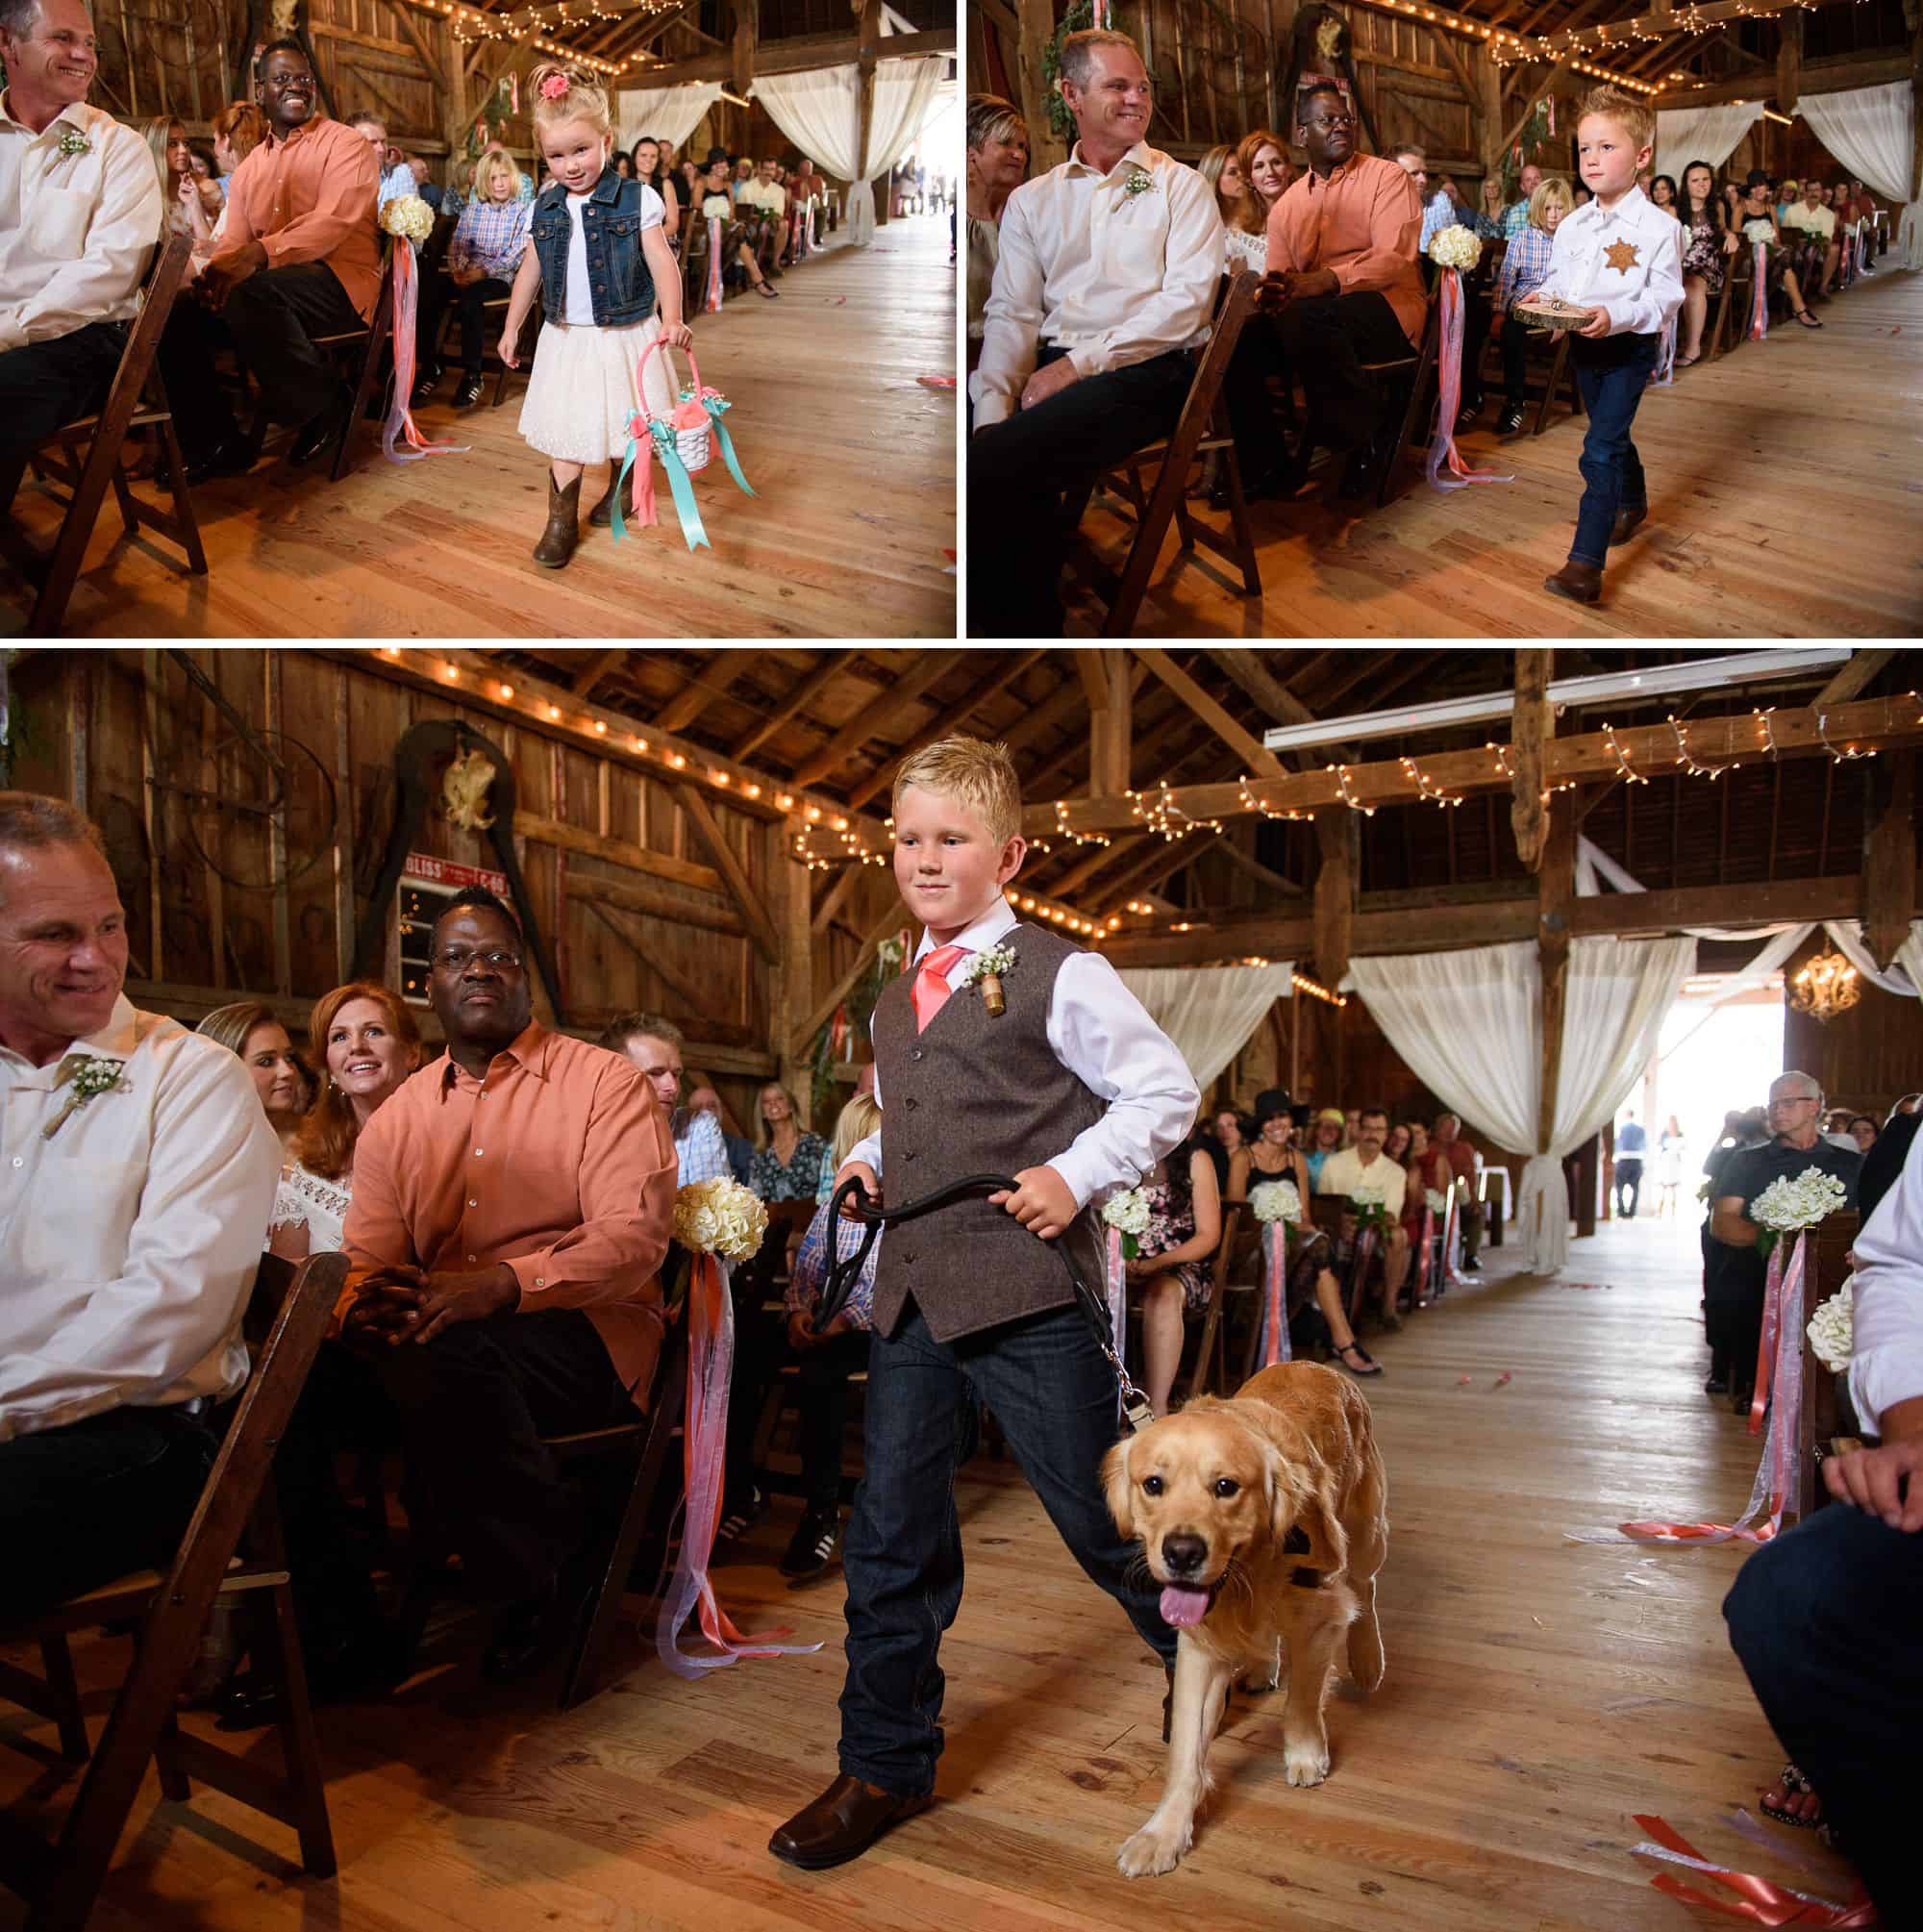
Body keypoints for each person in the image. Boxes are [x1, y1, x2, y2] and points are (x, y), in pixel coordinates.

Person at [768, 736, 1198, 1869]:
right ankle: (882, 1764)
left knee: (1102, 1519)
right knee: (891, 1538)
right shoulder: (890, 992)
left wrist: (1074, 1173)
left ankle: (1199, 1656)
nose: (923, 857)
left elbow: (1164, 1090)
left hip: (1023, 1296)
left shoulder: (1062, 970)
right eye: (907, 837)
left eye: (949, 838)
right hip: (909, 1297)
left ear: (1004, 851)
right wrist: (873, 1165)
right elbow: (910, 1118)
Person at [337, 883, 676, 1681]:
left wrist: (502, 1282)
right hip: (443, 1336)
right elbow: (366, 1261)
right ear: (431, 985)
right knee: (304, 1387)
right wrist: (357, 1310)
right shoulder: (398, 1118)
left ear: (524, 978)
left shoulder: (602, 1082)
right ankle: (336, 1632)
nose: (478, 969)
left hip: (584, 1331)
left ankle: (541, 1573)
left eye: (496, 956)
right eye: (456, 957)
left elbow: (633, 1239)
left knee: (451, 1356)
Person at [0, 792, 280, 1619]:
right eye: (55, 934)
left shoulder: (190, 1078)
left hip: (139, 1431)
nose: (96, 959)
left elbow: (170, 1313)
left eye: (110, 925)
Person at [1723, 1119, 1923, 1927]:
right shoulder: (1745, 1158)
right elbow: (1903, 1267)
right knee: (1787, 1597)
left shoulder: (1841, 1159)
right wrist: (1912, 1435)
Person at [967, 29, 1220, 639]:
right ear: (1071, 94)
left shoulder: (1178, 186)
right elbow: (1013, 314)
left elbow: (1186, 308)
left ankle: (1018, 628)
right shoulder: (1033, 201)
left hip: (1154, 369)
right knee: (985, 448)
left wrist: (1078, 366)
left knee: (997, 467)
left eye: (1143, 87)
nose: (1137, 99)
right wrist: (992, 408)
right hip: (1057, 364)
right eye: (1118, 86)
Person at [160, 38, 381, 482]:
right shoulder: (248, 170)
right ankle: (218, 442)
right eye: (282, 79)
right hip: (274, 289)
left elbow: (332, 222)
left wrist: (255, 256)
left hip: (341, 281)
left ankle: (326, 404)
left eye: (304, 79)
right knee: (175, 312)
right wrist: (215, 275)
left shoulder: (346, 144)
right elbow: (233, 241)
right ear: (261, 91)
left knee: (253, 294)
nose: (295, 87)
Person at [498, 63, 690, 569]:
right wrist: (512, 324)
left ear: (607, 140)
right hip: (567, 337)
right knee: (569, 427)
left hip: (626, 332)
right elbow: (531, 270)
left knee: (622, 421)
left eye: (581, 149)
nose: (571, 165)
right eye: (556, 155)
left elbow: (662, 263)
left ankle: (620, 493)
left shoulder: (636, 199)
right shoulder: (544, 207)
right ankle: (560, 520)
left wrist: (671, 316)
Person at [1530, 86, 1683, 608]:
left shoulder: (1662, 228)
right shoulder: (1571, 225)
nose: (1591, 159)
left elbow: (1664, 299)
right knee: (1610, 435)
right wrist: (1546, 301)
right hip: (1584, 348)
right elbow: (1560, 280)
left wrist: (1615, 316)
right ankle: (1634, 501)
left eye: (1606, 148)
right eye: (1584, 149)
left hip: (1629, 348)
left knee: (1598, 449)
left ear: (1642, 156)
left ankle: (1585, 563)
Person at [0, 0, 162, 467]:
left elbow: (109, 274)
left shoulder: (118, 148)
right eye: (63, 38)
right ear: (9, 44)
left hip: (84, 338)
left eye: (89, 43)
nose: (84, 55)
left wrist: (11, 329)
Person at [1245, 84, 1424, 498]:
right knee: (1243, 342)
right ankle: (1266, 464)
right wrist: (1272, 292)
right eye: (1328, 120)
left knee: (1310, 315)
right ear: (1302, 134)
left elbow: (1393, 259)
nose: (1341, 126)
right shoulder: (1287, 207)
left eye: (1346, 119)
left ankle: (1361, 439)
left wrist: (1323, 281)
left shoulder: (1387, 176)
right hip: (1314, 318)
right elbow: (1280, 278)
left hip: (1388, 306)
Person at [1709, 1072, 1860, 1414]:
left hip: (1831, 1277)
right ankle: (1754, 1385)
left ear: (1815, 1107)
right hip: (1760, 1276)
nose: (1778, 1111)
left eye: (1789, 1102)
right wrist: (1779, 1242)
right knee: (1739, 1293)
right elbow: (1724, 1221)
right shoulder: (1747, 1160)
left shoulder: (1849, 1164)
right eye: (1773, 1104)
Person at [1230, 1092, 1379, 1375]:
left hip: (1294, 1243)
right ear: (1260, 1124)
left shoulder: (1295, 1159)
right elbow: (1238, 1218)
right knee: (1319, 1249)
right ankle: (1344, 1342)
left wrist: (1293, 1229)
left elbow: (1305, 1218)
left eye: (1282, 1116)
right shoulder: (1243, 1158)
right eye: (1270, 1118)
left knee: (1320, 1246)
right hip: (1252, 1249)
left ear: (1291, 1121)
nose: (1277, 1124)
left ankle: (1340, 1339)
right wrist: (1271, 1225)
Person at [276, 981, 422, 1254]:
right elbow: (289, 1289)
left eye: (374, 1032)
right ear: (329, 1066)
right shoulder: (303, 1173)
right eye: (340, 1037)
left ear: (411, 1053)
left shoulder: (451, 1149)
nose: (356, 1046)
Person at [412, 145, 531, 411]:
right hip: (467, 274)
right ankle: (430, 365)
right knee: (427, 293)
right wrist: (458, 270)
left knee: (470, 301)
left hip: (499, 278)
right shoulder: (473, 211)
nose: (499, 184)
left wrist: (483, 272)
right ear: (484, 182)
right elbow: (458, 244)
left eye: (503, 177)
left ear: (512, 179)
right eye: (493, 178)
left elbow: (517, 253)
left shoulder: (522, 211)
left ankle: (472, 374)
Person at [1128, 1130, 1221, 1418]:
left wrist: (1158, 1263)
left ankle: (1156, 1409)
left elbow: (1208, 1236)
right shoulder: (1122, 1153)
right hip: (1123, 1265)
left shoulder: (1196, 1160)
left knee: (1162, 1293)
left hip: (1179, 1265)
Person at [599, 1011, 731, 1184]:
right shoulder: (588, 1134)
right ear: (616, 1078)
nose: (673, 1087)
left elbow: (713, 1210)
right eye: (655, 1073)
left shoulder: (698, 1127)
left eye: (676, 1074)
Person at [1491, 174, 1573, 435]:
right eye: (1547, 208)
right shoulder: (1522, 239)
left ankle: (1514, 400)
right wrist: (1498, 311)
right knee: (1508, 329)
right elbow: (1506, 278)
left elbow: (1575, 282)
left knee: (1515, 328)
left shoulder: (1572, 241)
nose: (1553, 215)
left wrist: (1561, 316)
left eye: (1559, 208)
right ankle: (1514, 401)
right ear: (1537, 209)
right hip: (1522, 307)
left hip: (1556, 305)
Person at [1315, 1105, 1410, 1325]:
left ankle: (1389, 1305)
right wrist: (1340, 1222)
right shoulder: (1334, 1163)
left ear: (1386, 1135)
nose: (1372, 1135)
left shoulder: (1395, 1172)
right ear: (1358, 1130)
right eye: (1367, 1128)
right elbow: (1322, 1205)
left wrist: (1364, 1224)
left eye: (1378, 1130)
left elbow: (1390, 1215)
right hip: (1337, 1228)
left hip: (1375, 1232)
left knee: (1398, 1235)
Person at [965, 95, 1029, 385]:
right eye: (1006, 143)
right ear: (971, 154)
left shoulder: (1028, 215)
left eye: (1022, 146)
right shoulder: (959, 223)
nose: (1018, 154)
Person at [196, 1000, 308, 1148]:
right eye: (266, 1061)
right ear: (224, 1070)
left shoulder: (316, 1145)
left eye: (289, 1058)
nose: (287, 1071)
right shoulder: (202, 1150)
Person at [1736, 170, 1822, 331]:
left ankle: (1799, 308)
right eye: (1754, 187)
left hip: (1771, 255)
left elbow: (1776, 239)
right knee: (1787, 265)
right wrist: (1757, 245)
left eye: (1761, 185)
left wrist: (1772, 246)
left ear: (1767, 187)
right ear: (1749, 190)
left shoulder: (1771, 209)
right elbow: (1737, 240)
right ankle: (1801, 310)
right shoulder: (1741, 207)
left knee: (1784, 258)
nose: (1758, 189)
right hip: (1748, 257)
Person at [1675, 160, 1735, 366]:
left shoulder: (1717, 206)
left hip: (1708, 264)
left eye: (1705, 179)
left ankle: (1693, 347)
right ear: (1687, 184)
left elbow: (1722, 229)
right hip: (1680, 264)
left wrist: (1730, 234)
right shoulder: (1676, 209)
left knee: (1692, 285)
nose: (1702, 184)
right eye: (1695, 180)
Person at [750, 1081, 827, 1200]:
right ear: (762, 1112)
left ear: (791, 1106)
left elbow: (827, 1190)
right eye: (766, 1101)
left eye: (779, 1098)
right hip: (771, 1217)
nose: (773, 1104)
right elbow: (754, 1197)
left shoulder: (815, 1144)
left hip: (811, 1216)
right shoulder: (760, 1153)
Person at [1197, 142, 1264, 272]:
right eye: (1232, 172)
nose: (1242, 177)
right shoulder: (1207, 231)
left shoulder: (1262, 216)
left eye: (1244, 170)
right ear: (1215, 178)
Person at [1432, 1112, 1484, 1271]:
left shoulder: (1464, 1149)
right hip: (1436, 1195)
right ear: (1437, 1129)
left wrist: (1474, 1199)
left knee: (1477, 1212)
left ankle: (1470, 1255)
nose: (1449, 1132)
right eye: (1446, 1128)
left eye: (1453, 1128)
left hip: (1460, 1195)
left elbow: (1471, 1176)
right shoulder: (1430, 1147)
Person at [1782, 174, 1840, 298]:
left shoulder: (1828, 214)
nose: (1814, 193)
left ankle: (1823, 288)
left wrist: (1809, 241)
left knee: (1834, 249)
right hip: (1793, 247)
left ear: (1822, 192)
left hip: (1817, 248)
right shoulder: (1792, 210)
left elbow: (1826, 238)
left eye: (1817, 190)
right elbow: (1784, 233)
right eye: (1810, 190)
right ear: (1806, 192)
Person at [347, 110, 415, 209]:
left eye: (383, 142)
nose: (382, 149)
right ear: (352, 145)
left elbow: (409, 220)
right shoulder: (340, 179)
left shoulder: (400, 175)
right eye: (372, 142)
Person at [689, 1083, 755, 1187]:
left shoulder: (742, 1147)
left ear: (720, 1112)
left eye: (711, 1106)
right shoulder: (677, 1150)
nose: (705, 1112)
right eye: (698, 1108)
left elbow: (751, 1191)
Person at [629, 134, 680, 242]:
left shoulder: (666, 184)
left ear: (658, 160)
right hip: (631, 242)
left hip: (662, 240)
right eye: (643, 155)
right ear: (634, 157)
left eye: (653, 156)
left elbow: (672, 224)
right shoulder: (624, 186)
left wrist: (648, 241)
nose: (648, 160)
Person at [1614, 1110, 1647, 1217]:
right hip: (1636, 1160)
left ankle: (1621, 1211)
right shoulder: (1640, 1130)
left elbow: (1617, 1144)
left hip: (1623, 1159)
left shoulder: (1621, 1129)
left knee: (1619, 1188)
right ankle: (1632, 1212)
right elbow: (1644, 1146)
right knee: (1635, 1188)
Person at [1304, 1106, 1345, 1188]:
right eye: (1325, 1126)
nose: (1328, 1131)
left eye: (1334, 1127)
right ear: (1316, 1130)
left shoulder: (1345, 1160)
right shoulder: (1303, 1159)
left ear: (1340, 1134)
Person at [1501, 161, 1544, 238]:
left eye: (1537, 177)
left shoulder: (1556, 208)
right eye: (1528, 180)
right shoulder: (1515, 213)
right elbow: (1511, 245)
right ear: (1522, 187)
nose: (1533, 182)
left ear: (1543, 181)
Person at [1656, 1114, 1686, 1217]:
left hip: (1674, 1163)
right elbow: (1659, 1146)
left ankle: (1673, 1212)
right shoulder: (1664, 1133)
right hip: (1665, 1162)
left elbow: (1683, 1147)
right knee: (1663, 1189)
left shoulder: (1680, 1134)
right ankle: (1659, 1211)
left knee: (1673, 1189)